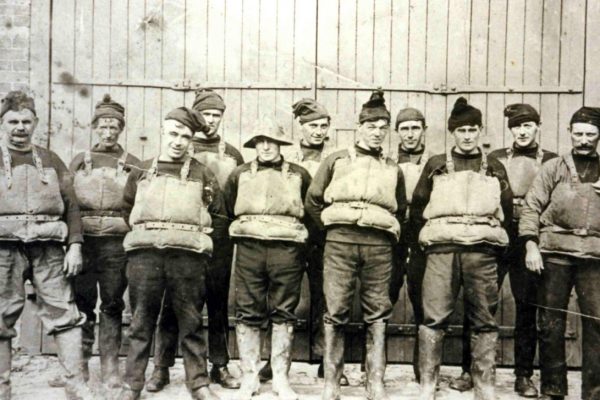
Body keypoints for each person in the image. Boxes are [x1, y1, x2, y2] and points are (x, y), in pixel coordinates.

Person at [449, 103, 557, 398]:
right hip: (495, 235)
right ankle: (468, 370)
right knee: (479, 304)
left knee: (527, 306)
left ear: (538, 127)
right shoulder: (493, 159)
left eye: (527, 126)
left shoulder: (552, 161)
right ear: (509, 130)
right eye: (516, 127)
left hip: (530, 240)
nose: (522, 132)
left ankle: (523, 375)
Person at [305, 91, 407, 400]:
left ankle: (374, 381)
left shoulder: (393, 167)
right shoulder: (335, 160)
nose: (377, 132)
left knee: (377, 312)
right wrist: (332, 232)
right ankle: (331, 383)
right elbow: (313, 200)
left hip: (378, 247)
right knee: (335, 309)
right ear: (358, 126)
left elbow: (400, 209)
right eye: (371, 125)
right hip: (340, 244)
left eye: (382, 127)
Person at [118, 107, 225, 400]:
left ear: (192, 140)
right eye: (174, 134)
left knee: (191, 322)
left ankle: (199, 383)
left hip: (187, 259)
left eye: (185, 137)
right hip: (145, 257)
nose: (178, 141)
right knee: (140, 322)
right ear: (162, 133)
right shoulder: (141, 170)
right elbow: (127, 208)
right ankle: (132, 384)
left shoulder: (203, 173)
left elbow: (217, 214)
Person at [410, 97, 513, 400]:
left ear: (480, 131)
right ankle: (428, 385)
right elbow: (417, 209)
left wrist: (498, 254)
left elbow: (507, 212)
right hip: (441, 253)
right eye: (461, 130)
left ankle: (485, 387)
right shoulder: (436, 165)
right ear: (452, 133)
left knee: (484, 320)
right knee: (435, 317)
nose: (467, 136)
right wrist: (422, 249)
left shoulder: (494, 167)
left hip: (482, 253)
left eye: (472, 130)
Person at [146, 89, 242, 392]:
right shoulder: (180, 149)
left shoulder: (233, 154)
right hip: (183, 237)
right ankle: (161, 366)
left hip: (218, 238)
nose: (211, 121)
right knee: (171, 302)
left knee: (217, 301)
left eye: (217, 116)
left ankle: (220, 364)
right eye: (206, 115)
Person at [0, 91, 92, 400]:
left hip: (49, 251)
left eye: (27, 121)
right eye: (13, 121)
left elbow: (72, 206)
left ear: (36, 122)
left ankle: (75, 384)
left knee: (64, 314)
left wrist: (76, 245)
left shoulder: (52, 160)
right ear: (3, 123)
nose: (20, 127)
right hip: (4, 251)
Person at [259, 98, 349, 386]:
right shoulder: (285, 158)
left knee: (328, 299)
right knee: (280, 297)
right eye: (313, 126)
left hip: (324, 238)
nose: (318, 131)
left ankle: (328, 362)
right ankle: (273, 362)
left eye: (324, 126)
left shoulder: (337, 159)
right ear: (300, 127)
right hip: (290, 237)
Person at [223, 116, 312, 400]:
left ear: (280, 144)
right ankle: (250, 377)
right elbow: (227, 208)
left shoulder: (298, 174)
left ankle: (280, 378)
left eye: (271, 141)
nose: (265, 146)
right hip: (249, 248)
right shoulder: (239, 174)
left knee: (284, 310)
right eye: (260, 141)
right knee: (248, 310)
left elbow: (310, 211)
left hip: (286, 251)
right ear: (254, 144)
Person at [520, 106, 600, 400]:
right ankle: (553, 390)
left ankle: (594, 393)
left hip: (594, 257)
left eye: (590, 134)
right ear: (569, 133)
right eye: (578, 133)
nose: (583, 140)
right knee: (551, 324)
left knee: (597, 324)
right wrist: (531, 244)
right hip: (554, 253)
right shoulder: (553, 168)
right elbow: (531, 207)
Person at [66, 94, 141, 388]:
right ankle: (80, 367)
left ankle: (110, 367)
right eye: (103, 126)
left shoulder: (132, 163)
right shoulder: (78, 161)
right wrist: (72, 243)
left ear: (121, 128)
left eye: (114, 127)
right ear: (94, 127)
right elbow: (68, 203)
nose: (108, 132)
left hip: (116, 245)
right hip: (85, 243)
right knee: (82, 304)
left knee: (111, 304)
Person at [390, 107, 430, 382]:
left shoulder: (435, 163)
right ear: (397, 133)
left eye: (415, 128)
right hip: (391, 237)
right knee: (382, 297)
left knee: (423, 300)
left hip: (421, 237)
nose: (410, 134)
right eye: (404, 128)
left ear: (423, 130)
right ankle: (373, 366)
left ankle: (423, 369)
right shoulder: (386, 161)